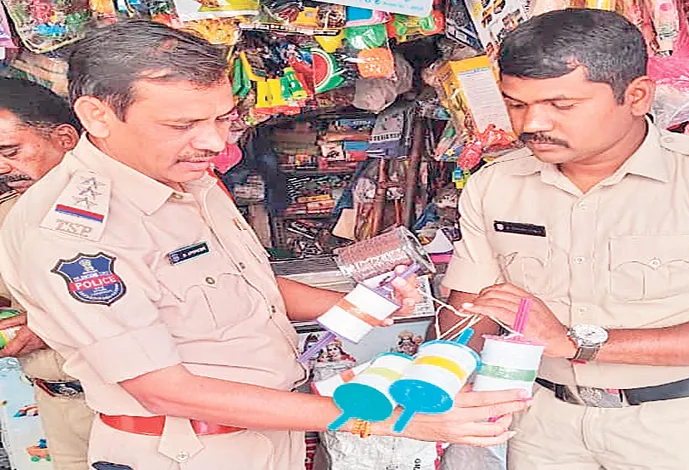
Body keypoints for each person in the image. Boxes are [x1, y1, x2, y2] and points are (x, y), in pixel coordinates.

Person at [0, 21, 530, 470]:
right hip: (183, 451)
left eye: (221, 118)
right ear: (96, 116)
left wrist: (358, 306)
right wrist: (387, 418)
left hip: (267, 433)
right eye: (183, 124)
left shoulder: (187, 178)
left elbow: (242, 284)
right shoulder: (72, 233)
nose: (214, 142)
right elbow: (161, 388)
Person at [438, 8, 689, 470]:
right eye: (516, 104)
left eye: (561, 105)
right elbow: (471, 313)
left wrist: (577, 343)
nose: (532, 124)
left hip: (682, 425)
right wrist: (441, 368)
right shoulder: (495, 185)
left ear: (637, 96)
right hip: (543, 425)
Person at [0, 77, 94, 470]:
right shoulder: (9, 214)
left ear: (65, 139)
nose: (2, 167)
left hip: (125, 405)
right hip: (52, 403)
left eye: (11, 151)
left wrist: (50, 327)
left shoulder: (127, 207)